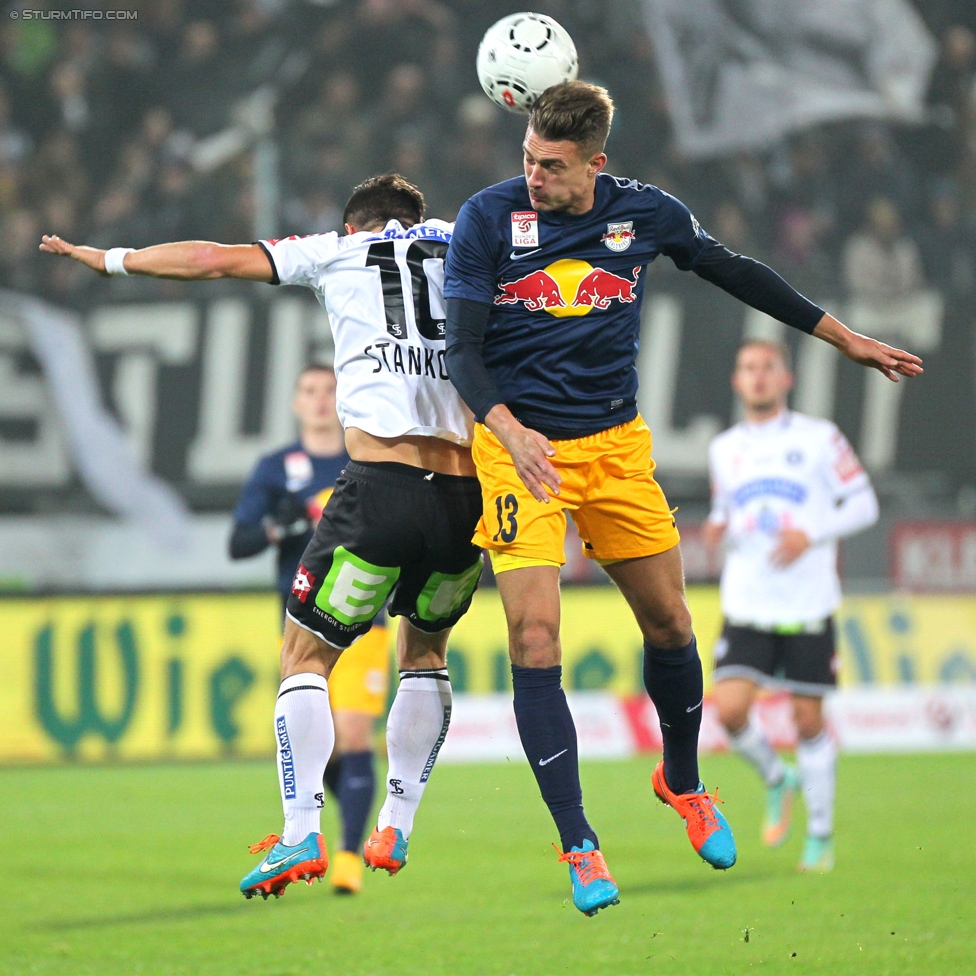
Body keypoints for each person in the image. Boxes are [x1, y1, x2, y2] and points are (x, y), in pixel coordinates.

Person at [443, 81, 921, 916]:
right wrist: (506, 430)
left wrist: (840, 336)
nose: (533, 177)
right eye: (526, 158)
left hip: (616, 451)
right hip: (516, 448)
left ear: (596, 164)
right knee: (536, 633)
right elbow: (463, 348)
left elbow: (737, 272)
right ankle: (580, 844)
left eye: (551, 167)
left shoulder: (646, 214)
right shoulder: (487, 220)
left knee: (670, 624)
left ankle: (686, 782)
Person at [41, 174, 484, 900]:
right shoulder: (466, 246)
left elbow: (210, 260)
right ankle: (397, 822)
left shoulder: (338, 251)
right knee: (425, 651)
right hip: (466, 496)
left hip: (381, 485)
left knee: (305, 656)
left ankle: (300, 832)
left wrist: (112, 258)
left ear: (354, 225)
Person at [703, 340, 878, 872]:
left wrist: (813, 533)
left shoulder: (820, 438)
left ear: (787, 379)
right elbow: (727, 514)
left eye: (767, 368)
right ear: (737, 381)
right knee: (730, 710)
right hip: (748, 601)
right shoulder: (724, 448)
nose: (757, 377)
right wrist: (718, 530)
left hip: (807, 602)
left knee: (807, 721)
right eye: (748, 368)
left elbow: (864, 503)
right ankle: (779, 780)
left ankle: (820, 836)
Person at [229, 363, 390, 895]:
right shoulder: (275, 468)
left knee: (350, 735)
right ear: (297, 402)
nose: (321, 400)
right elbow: (239, 543)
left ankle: (345, 857)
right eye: (310, 391)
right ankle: (312, 842)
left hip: (364, 617)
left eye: (330, 390)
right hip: (301, 629)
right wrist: (291, 523)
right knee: (314, 748)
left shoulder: (365, 455)